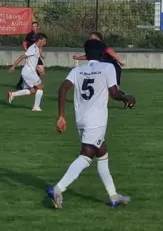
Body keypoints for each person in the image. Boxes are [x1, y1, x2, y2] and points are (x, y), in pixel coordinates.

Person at [47, 39, 136, 209]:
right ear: (103, 54)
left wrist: (61, 116)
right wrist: (127, 98)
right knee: (86, 157)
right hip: (96, 121)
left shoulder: (77, 70)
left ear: (86, 55)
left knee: (102, 153)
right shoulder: (107, 68)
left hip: (81, 119)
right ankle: (58, 188)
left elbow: (62, 89)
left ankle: (113, 196)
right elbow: (114, 93)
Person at [73, 32, 129, 103]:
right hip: (103, 70)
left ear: (99, 39)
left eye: (94, 38)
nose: (92, 40)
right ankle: (124, 98)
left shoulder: (103, 47)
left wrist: (120, 61)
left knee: (114, 90)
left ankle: (127, 99)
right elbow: (88, 56)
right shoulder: (93, 50)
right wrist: (78, 57)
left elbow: (111, 52)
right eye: (91, 38)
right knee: (105, 88)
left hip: (113, 69)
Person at [8, 33, 47, 112]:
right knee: (41, 88)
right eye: (44, 41)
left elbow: (31, 60)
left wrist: (36, 68)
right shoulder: (33, 48)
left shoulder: (36, 48)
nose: (45, 43)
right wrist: (14, 66)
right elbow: (23, 56)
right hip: (29, 72)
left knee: (33, 91)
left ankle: (12, 94)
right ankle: (36, 107)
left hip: (29, 71)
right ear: (40, 40)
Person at [15, 21, 45, 89]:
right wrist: (26, 50)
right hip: (30, 56)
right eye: (33, 26)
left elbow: (40, 46)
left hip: (36, 55)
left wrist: (41, 54)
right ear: (31, 27)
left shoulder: (40, 35)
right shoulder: (29, 35)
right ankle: (21, 84)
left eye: (35, 26)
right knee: (28, 69)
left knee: (42, 71)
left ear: (37, 27)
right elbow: (24, 42)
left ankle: (34, 82)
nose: (34, 28)